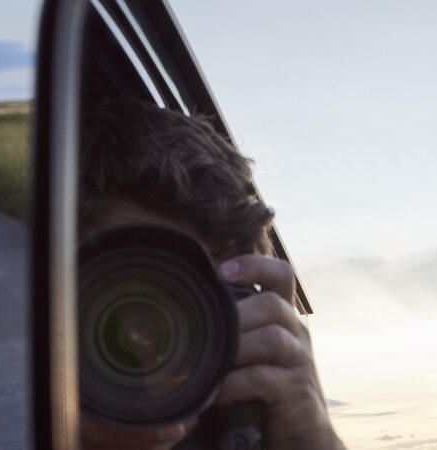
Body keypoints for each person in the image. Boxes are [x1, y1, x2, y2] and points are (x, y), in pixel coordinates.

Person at [78, 100, 344, 450]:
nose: (149, 340)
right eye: (128, 292)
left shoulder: (238, 417)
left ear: (233, 315)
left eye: (189, 299)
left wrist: (309, 440)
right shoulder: (32, 396)